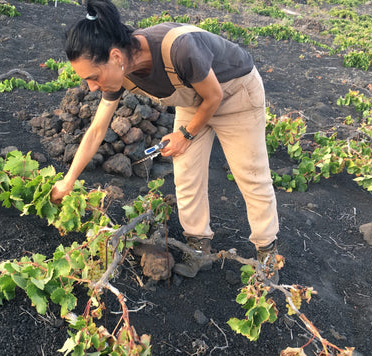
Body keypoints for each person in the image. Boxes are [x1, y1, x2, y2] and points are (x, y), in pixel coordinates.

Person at [51, 0, 280, 281]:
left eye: (93, 77)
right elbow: (98, 130)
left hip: (235, 92)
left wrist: (185, 135)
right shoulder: (117, 75)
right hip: (195, 98)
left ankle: (267, 253)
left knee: (251, 174)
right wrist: (69, 180)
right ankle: (198, 248)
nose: (92, 87)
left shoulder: (179, 49)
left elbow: (215, 96)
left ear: (115, 57)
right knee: (185, 174)